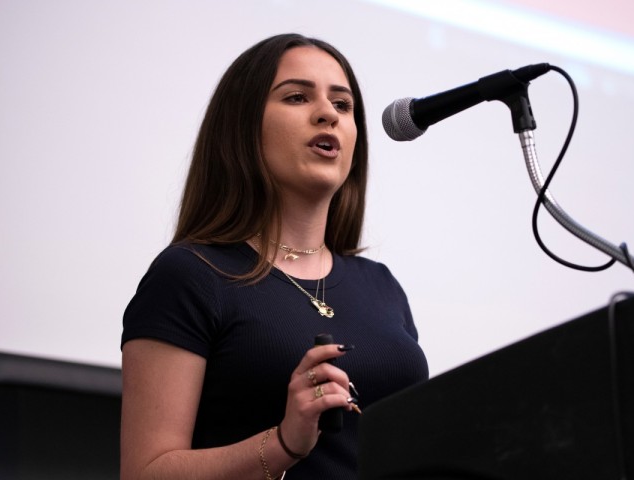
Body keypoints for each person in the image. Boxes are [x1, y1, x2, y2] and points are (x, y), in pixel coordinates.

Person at [120, 33, 429, 480]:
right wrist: (284, 442)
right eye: (298, 97)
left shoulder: (381, 286)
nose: (328, 113)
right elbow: (145, 473)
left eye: (343, 106)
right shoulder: (191, 274)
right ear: (242, 126)